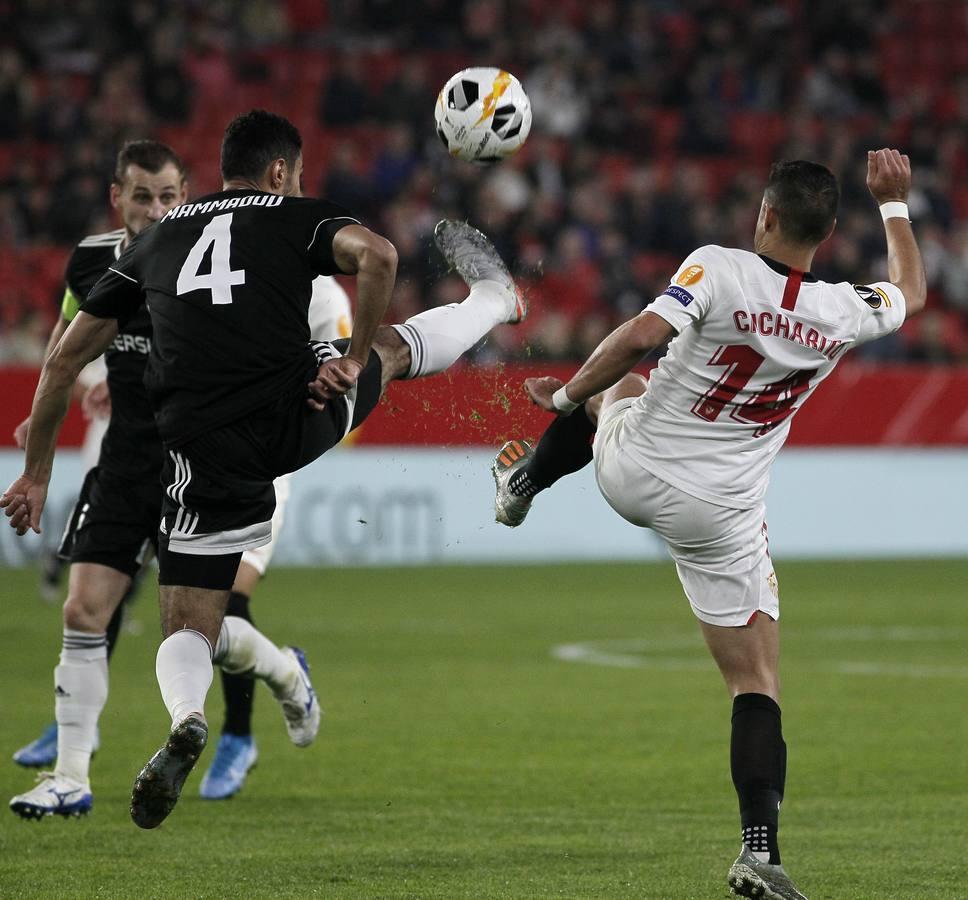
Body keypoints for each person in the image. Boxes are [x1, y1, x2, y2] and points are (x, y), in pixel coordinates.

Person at [2, 109, 527, 829]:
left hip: (193, 451)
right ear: (281, 173)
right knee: (395, 354)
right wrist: (351, 354)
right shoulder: (296, 217)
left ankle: (189, 717)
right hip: (291, 418)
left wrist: (34, 475)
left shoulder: (157, 239)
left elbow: (62, 360)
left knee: (186, 624)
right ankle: (497, 298)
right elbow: (379, 256)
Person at [491, 150, 925, 900]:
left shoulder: (717, 267)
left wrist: (564, 397)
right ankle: (760, 851)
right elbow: (911, 292)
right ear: (825, 234)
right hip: (720, 513)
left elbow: (635, 338)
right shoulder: (841, 309)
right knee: (755, 681)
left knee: (618, 387)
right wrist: (893, 204)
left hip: (632, 472)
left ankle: (525, 478)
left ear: (765, 214)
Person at [8, 140, 321, 820]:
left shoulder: (203, 253)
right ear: (117, 197)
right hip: (124, 460)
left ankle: (283, 673)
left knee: (205, 624)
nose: (156, 208)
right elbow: (65, 351)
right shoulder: (91, 261)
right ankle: (69, 776)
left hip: (201, 462)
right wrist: (45, 438)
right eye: (143, 195)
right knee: (84, 610)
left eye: (169, 195)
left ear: (188, 195)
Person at [198, 274, 353, 801]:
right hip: (197, 452)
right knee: (182, 610)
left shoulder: (326, 296)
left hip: (265, 461)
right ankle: (70, 732)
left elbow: (339, 381)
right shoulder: (222, 262)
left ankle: (238, 736)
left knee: (225, 602)